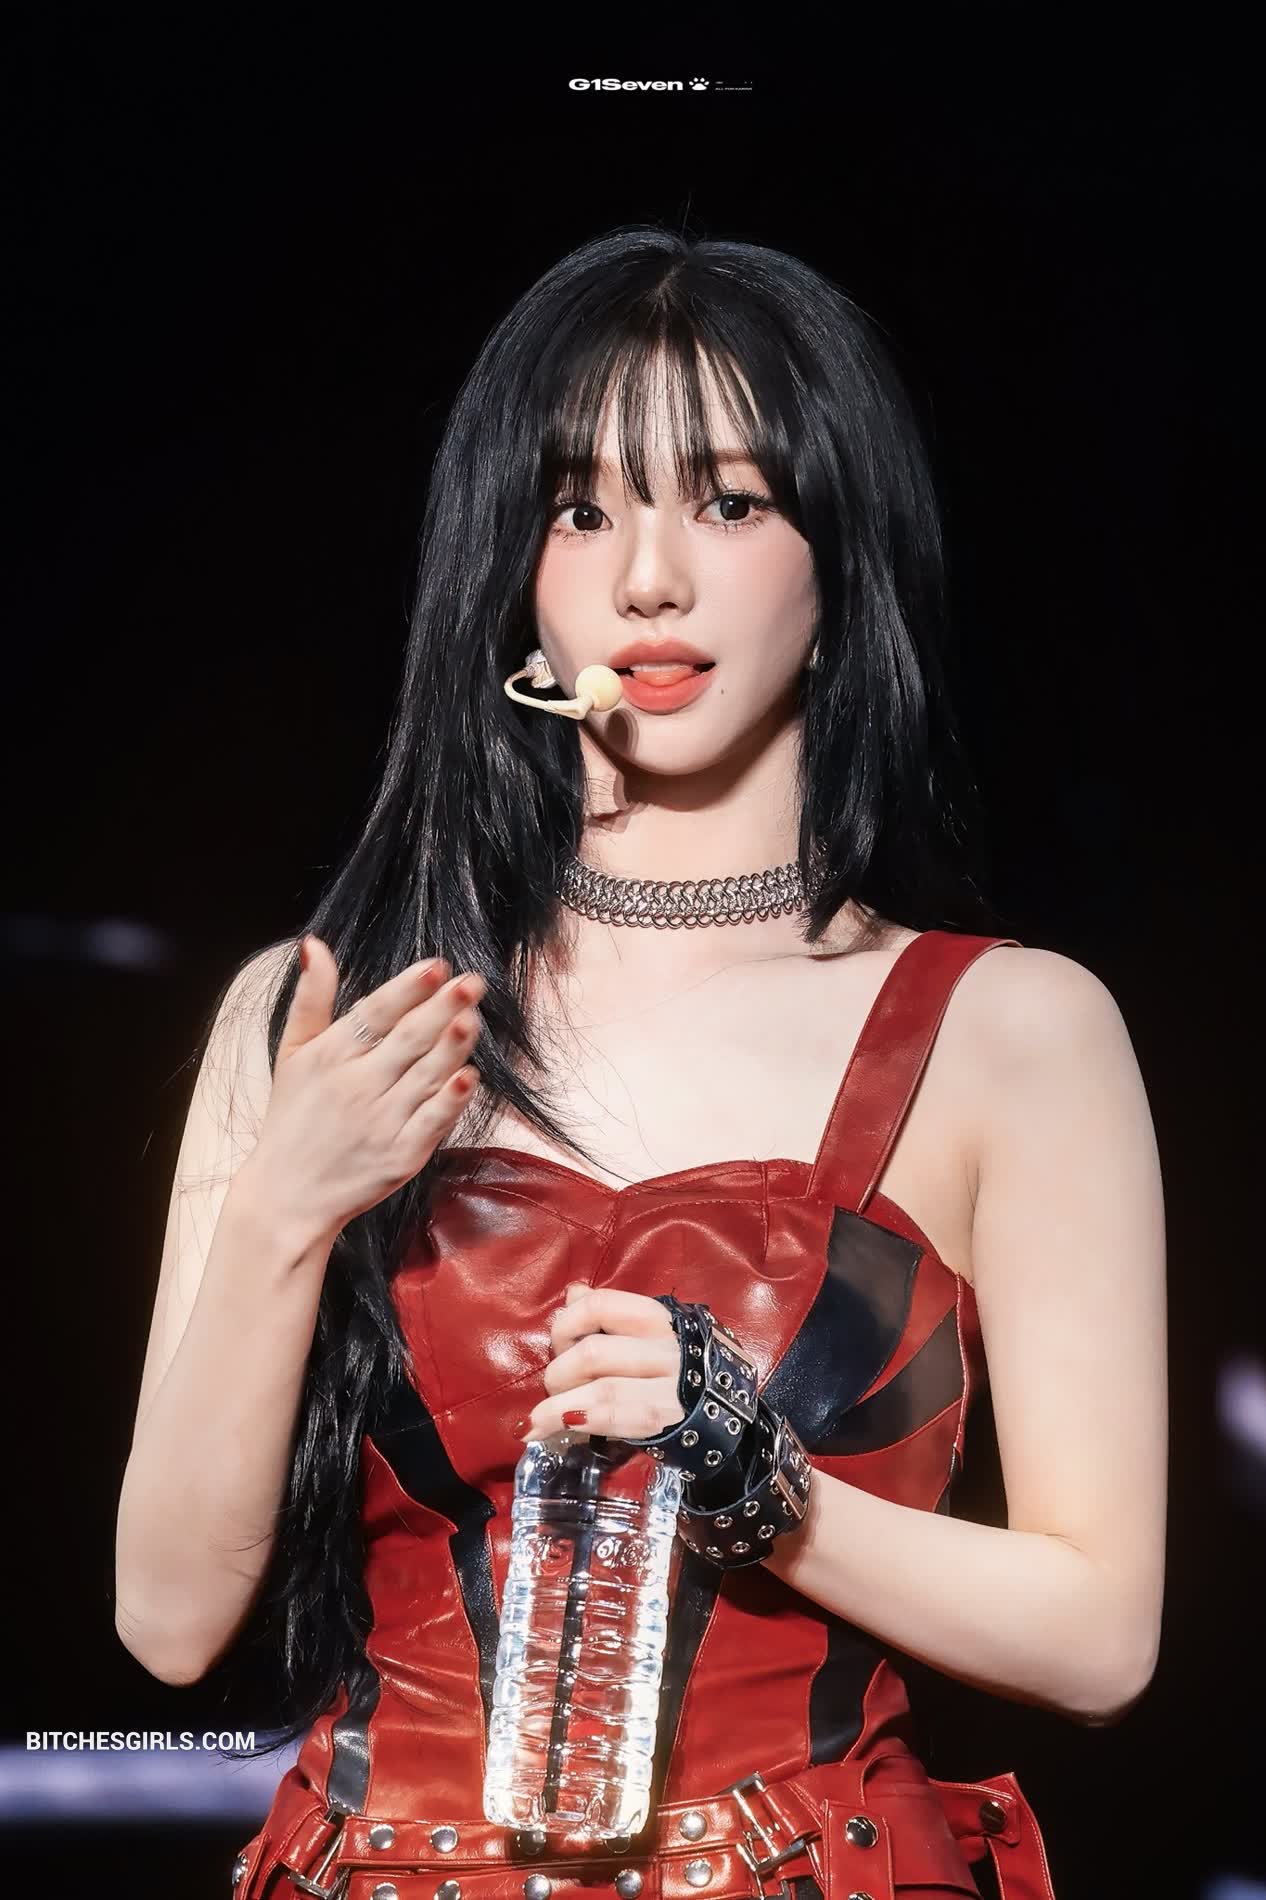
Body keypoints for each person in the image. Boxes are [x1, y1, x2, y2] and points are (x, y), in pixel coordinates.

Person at [114, 225, 1167, 1900]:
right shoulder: (318, 1019)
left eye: (730, 503)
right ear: (510, 573)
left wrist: (761, 1482)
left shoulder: (1012, 1031)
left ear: (841, 560)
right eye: (580, 510)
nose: (649, 579)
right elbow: (167, 1625)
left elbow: (1100, 1640)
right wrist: (279, 1218)